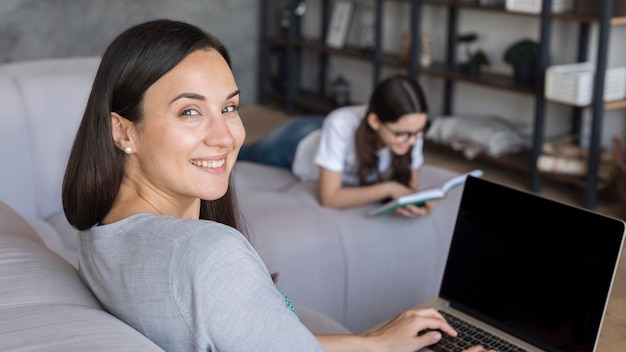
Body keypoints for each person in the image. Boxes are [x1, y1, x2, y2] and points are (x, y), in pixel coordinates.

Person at [62, 19, 493, 352]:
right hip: (299, 146)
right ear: (122, 131)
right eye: (190, 112)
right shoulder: (210, 257)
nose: (225, 135)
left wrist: (372, 342)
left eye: (230, 107)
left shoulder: (98, 230)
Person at [239, 75, 435, 217]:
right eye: (401, 134)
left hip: (337, 132)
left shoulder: (411, 132)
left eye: (419, 132)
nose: (413, 141)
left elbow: (409, 189)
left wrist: (417, 204)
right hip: (299, 141)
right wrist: (389, 189)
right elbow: (330, 197)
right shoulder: (341, 124)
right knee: (244, 153)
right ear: (375, 121)